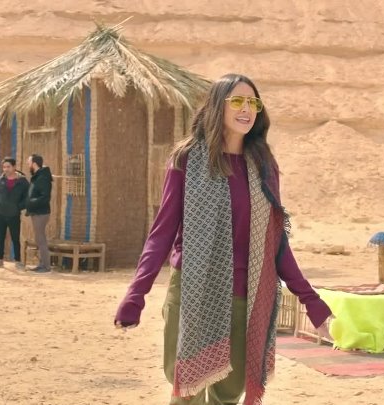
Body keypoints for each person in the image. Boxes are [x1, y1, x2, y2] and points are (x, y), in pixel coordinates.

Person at [114, 74, 332, 405]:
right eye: (238, 101)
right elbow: (162, 233)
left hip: (246, 295)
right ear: (218, 106)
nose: (247, 109)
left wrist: (312, 302)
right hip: (193, 292)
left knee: (228, 394)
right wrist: (136, 295)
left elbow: (276, 244)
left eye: (253, 102)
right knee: (186, 391)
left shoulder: (263, 166)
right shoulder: (187, 159)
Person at [0, 157, 29, 270]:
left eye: (8, 167)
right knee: (0, 238)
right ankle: (0, 261)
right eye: (4, 167)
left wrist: (19, 207)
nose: (6, 169)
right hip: (0, 214)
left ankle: (18, 261)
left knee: (15, 238)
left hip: (14, 215)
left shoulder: (22, 181)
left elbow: (28, 197)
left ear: (14, 167)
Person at [25, 154, 53, 273]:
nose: (28, 164)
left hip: (41, 213)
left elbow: (45, 197)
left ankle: (45, 266)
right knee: (39, 238)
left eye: (29, 162)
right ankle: (42, 264)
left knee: (41, 239)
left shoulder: (42, 178)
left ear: (34, 164)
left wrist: (31, 202)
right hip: (36, 212)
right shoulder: (38, 176)